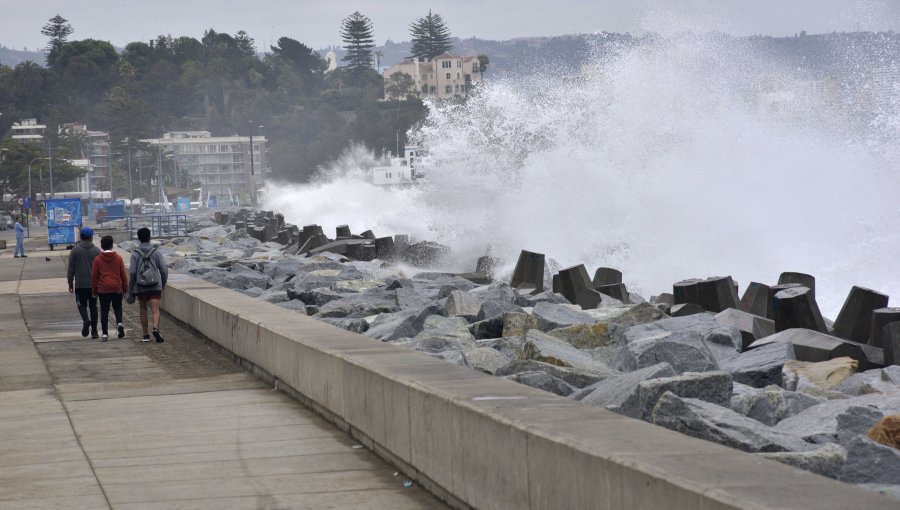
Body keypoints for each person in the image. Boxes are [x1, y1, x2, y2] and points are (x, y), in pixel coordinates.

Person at [128, 227, 167, 342]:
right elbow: (164, 270)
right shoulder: (156, 253)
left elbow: (133, 272)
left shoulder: (135, 254)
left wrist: (132, 286)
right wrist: (163, 283)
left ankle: (145, 335)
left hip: (141, 286)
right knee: (155, 310)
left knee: (143, 308)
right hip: (155, 285)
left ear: (139, 239)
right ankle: (155, 328)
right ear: (149, 237)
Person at [92, 235, 128, 342]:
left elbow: (94, 277)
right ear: (112, 245)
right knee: (117, 307)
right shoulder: (118, 258)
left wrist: (94, 291)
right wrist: (125, 288)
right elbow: (123, 275)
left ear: (102, 246)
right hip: (116, 287)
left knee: (104, 310)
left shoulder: (97, 259)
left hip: (103, 288)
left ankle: (104, 333)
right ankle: (119, 323)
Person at [67, 227, 101, 338]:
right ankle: (95, 331)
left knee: (81, 305)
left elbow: (71, 269)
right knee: (93, 307)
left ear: (81, 237)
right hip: (93, 285)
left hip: (80, 284)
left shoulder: (75, 250)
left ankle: (86, 320)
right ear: (91, 237)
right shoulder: (97, 251)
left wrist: (70, 283)